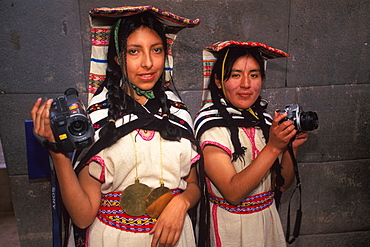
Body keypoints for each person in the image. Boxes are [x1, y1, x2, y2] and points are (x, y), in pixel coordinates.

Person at [31, 6, 201, 247]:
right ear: (117, 58)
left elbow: (193, 185)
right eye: (134, 51)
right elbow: (82, 216)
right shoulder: (99, 118)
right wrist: (56, 151)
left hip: (175, 238)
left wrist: (181, 203)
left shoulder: (178, 114)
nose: (148, 63)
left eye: (156, 50)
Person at [194, 41, 309, 247]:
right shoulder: (211, 128)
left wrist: (290, 148)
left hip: (267, 222)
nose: (246, 84)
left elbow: (282, 184)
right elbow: (233, 193)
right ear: (219, 81)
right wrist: (274, 147)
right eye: (236, 75)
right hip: (232, 227)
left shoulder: (264, 123)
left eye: (254, 75)